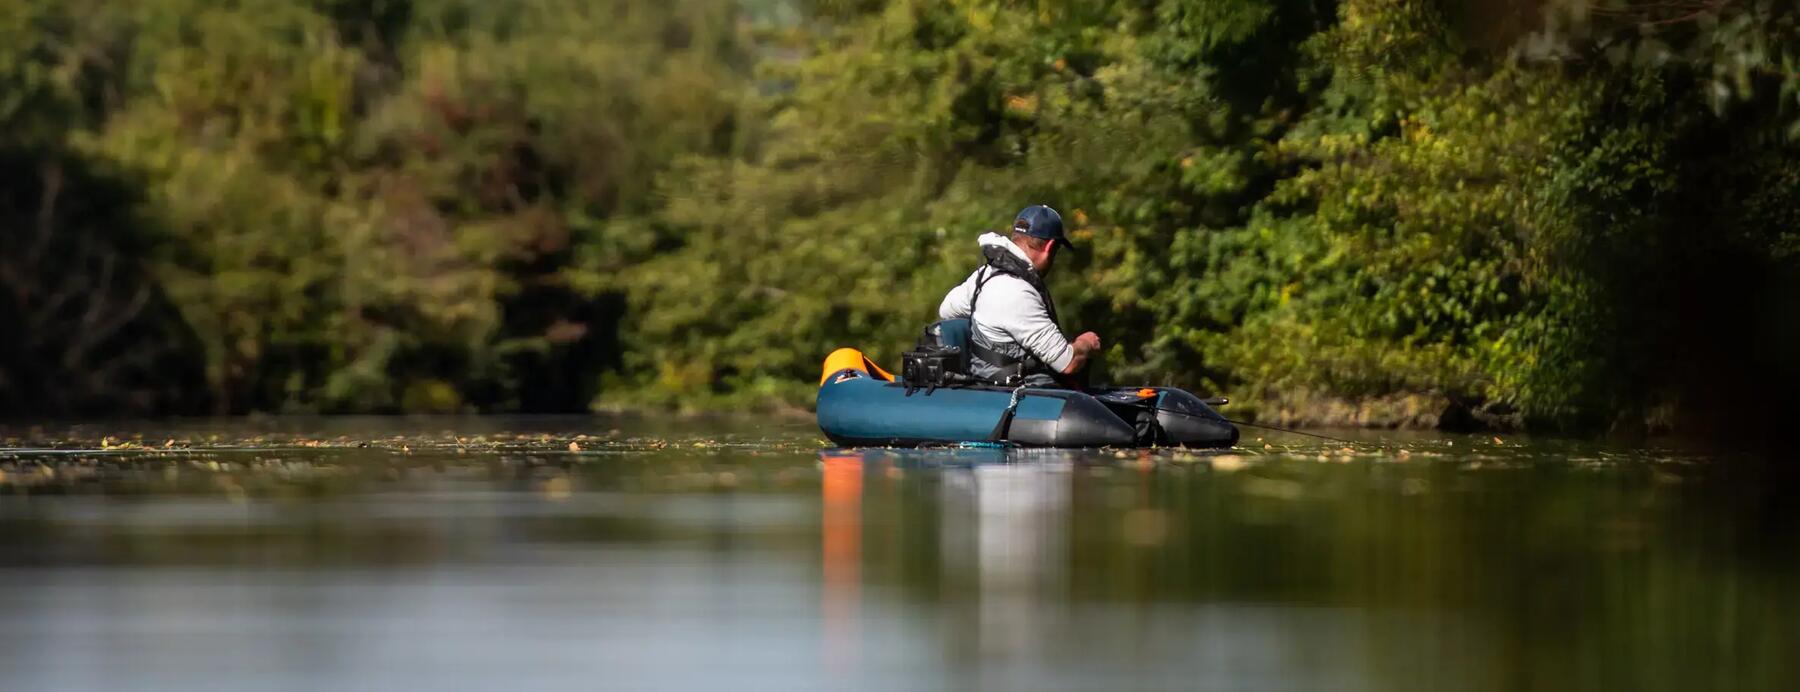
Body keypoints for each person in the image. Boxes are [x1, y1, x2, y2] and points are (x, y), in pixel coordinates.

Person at [937, 204, 1101, 386]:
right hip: (1017, 394)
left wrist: (990, 323)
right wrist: (1086, 343)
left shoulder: (986, 274)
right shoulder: (1017, 292)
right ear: (1050, 247)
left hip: (991, 386)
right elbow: (1067, 362)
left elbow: (947, 310)